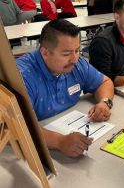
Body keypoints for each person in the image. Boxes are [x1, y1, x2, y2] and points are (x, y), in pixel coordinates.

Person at [16, 19, 114, 157]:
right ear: (45, 53)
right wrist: (59, 142)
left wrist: (105, 102)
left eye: (77, 50)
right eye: (66, 54)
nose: (74, 59)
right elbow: (14, 126)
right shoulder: (23, 78)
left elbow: (104, 82)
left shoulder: (77, 65)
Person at [89, 0, 124, 102]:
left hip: (121, 90)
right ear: (117, 17)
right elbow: (101, 78)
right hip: (103, 95)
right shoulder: (103, 42)